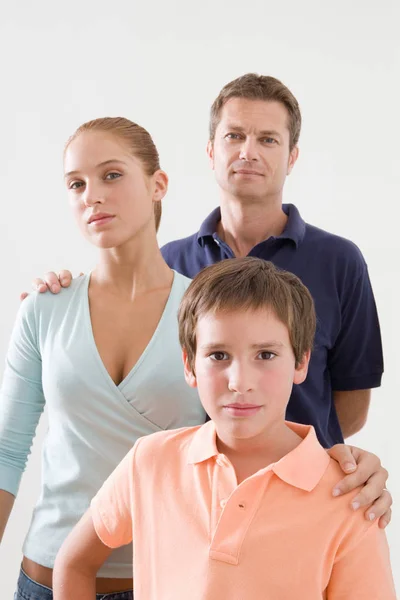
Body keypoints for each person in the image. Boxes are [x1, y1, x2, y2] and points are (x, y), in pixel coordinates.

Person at [30, 74, 392, 526]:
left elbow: (351, 406)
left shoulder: (340, 261)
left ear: (291, 156)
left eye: (267, 139)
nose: (248, 151)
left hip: (305, 508)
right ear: (210, 151)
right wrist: (62, 295)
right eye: (234, 136)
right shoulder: (169, 262)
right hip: (190, 511)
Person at [52, 258, 396, 599]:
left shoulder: (352, 497)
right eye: (218, 355)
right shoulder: (150, 460)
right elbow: (74, 564)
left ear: (301, 361)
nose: (240, 382)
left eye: (265, 355)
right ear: (189, 365)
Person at [0, 117, 206, 599]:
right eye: (77, 183)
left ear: (158, 185)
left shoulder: (206, 312)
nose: (91, 195)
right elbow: (7, 452)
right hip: (45, 580)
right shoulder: (43, 310)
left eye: (112, 175)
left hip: (166, 580)